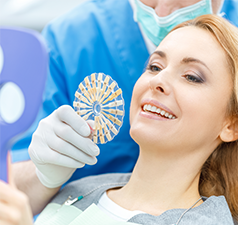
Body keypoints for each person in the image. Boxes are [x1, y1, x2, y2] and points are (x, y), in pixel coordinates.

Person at [2, 14, 238, 224]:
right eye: (155, 67)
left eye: (192, 77)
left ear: (231, 124)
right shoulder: (78, 190)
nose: (158, 81)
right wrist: (43, 176)